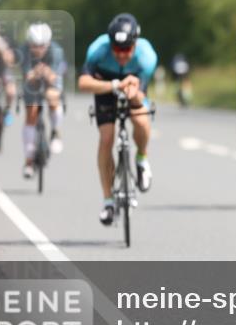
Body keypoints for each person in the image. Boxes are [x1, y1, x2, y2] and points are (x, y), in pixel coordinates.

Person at [78, 13, 158, 225]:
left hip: (134, 87)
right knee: (106, 138)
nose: (121, 54)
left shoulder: (146, 56)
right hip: (105, 88)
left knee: (141, 119)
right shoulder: (98, 49)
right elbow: (83, 82)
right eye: (117, 49)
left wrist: (132, 93)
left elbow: (141, 96)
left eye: (127, 49)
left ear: (135, 44)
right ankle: (108, 202)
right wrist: (114, 85)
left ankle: (142, 158)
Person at [19, 23, 67, 178]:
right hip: (32, 83)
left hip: (51, 81)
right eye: (34, 46)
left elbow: (53, 78)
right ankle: (28, 161)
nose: (38, 49)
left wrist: (43, 71)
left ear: (48, 43)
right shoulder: (24, 51)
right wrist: (36, 73)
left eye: (42, 46)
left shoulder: (56, 51)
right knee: (31, 112)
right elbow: (28, 76)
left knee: (53, 97)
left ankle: (56, 132)